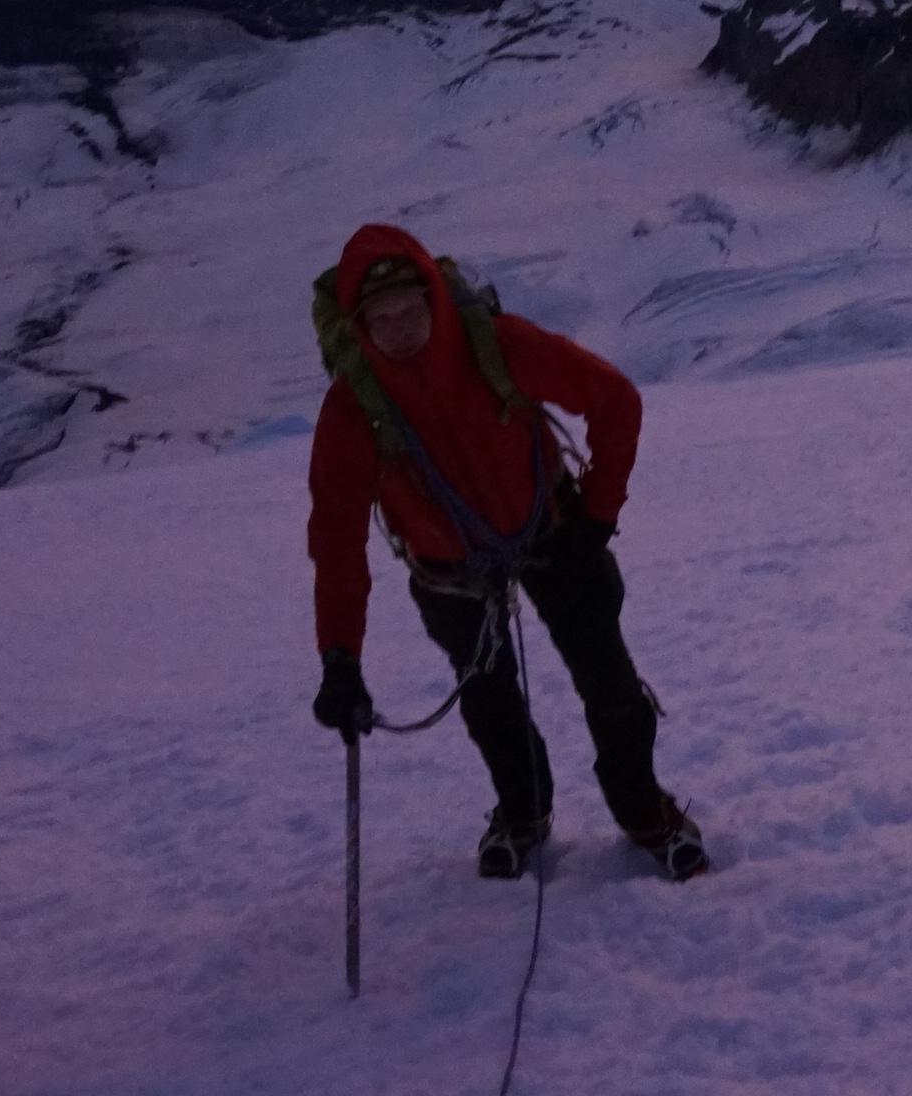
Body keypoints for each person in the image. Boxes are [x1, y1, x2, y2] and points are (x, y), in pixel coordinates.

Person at [303, 222, 709, 880]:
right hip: (447, 570)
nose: (402, 329)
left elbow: (615, 401)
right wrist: (339, 658)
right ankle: (524, 812)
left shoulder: (497, 345)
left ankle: (641, 810)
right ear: (359, 326)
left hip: (554, 533)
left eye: (412, 311)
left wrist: (598, 518)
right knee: (488, 699)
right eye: (383, 319)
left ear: (436, 299)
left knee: (607, 679)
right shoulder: (353, 410)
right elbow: (336, 539)